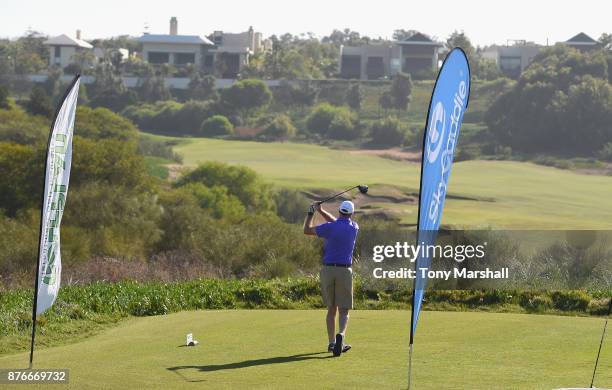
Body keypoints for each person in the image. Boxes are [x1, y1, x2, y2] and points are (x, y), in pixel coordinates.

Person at [303, 200, 359, 357]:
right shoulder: (354, 227)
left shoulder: (330, 228)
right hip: (345, 271)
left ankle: (331, 343)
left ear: (340, 211)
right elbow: (338, 223)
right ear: (351, 213)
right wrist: (321, 211)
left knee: (331, 310)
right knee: (344, 310)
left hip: (328, 270)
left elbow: (307, 230)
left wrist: (311, 213)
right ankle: (341, 334)